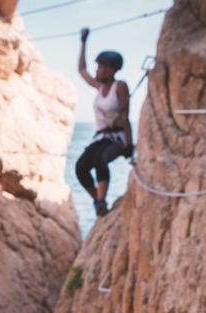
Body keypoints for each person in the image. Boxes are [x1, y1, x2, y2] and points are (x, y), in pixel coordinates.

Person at [76, 27, 134, 216]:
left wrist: (129, 146)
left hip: (117, 137)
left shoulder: (120, 86)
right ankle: (98, 200)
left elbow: (125, 115)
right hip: (101, 138)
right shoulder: (99, 87)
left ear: (110, 70)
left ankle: (101, 201)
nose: (97, 70)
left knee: (101, 160)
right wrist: (83, 41)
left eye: (100, 67)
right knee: (81, 168)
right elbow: (82, 70)